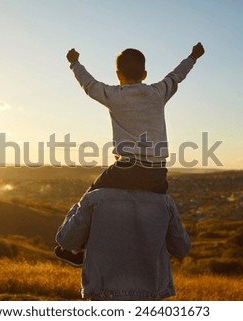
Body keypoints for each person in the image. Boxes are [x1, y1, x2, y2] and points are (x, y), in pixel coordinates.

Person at [55, 43, 204, 265]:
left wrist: (74, 63)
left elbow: (88, 84)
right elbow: (177, 75)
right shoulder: (158, 91)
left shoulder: (113, 94)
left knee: (90, 197)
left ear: (118, 75)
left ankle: (76, 249)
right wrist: (193, 56)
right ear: (145, 74)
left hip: (126, 170)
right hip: (157, 175)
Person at [55, 188, 191, 300]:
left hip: (104, 295)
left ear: (117, 159)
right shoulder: (165, 203)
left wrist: (78, 206)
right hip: (151, 296)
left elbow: (66, 240)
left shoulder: (95, 198)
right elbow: (181, 248)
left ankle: (82, 253)